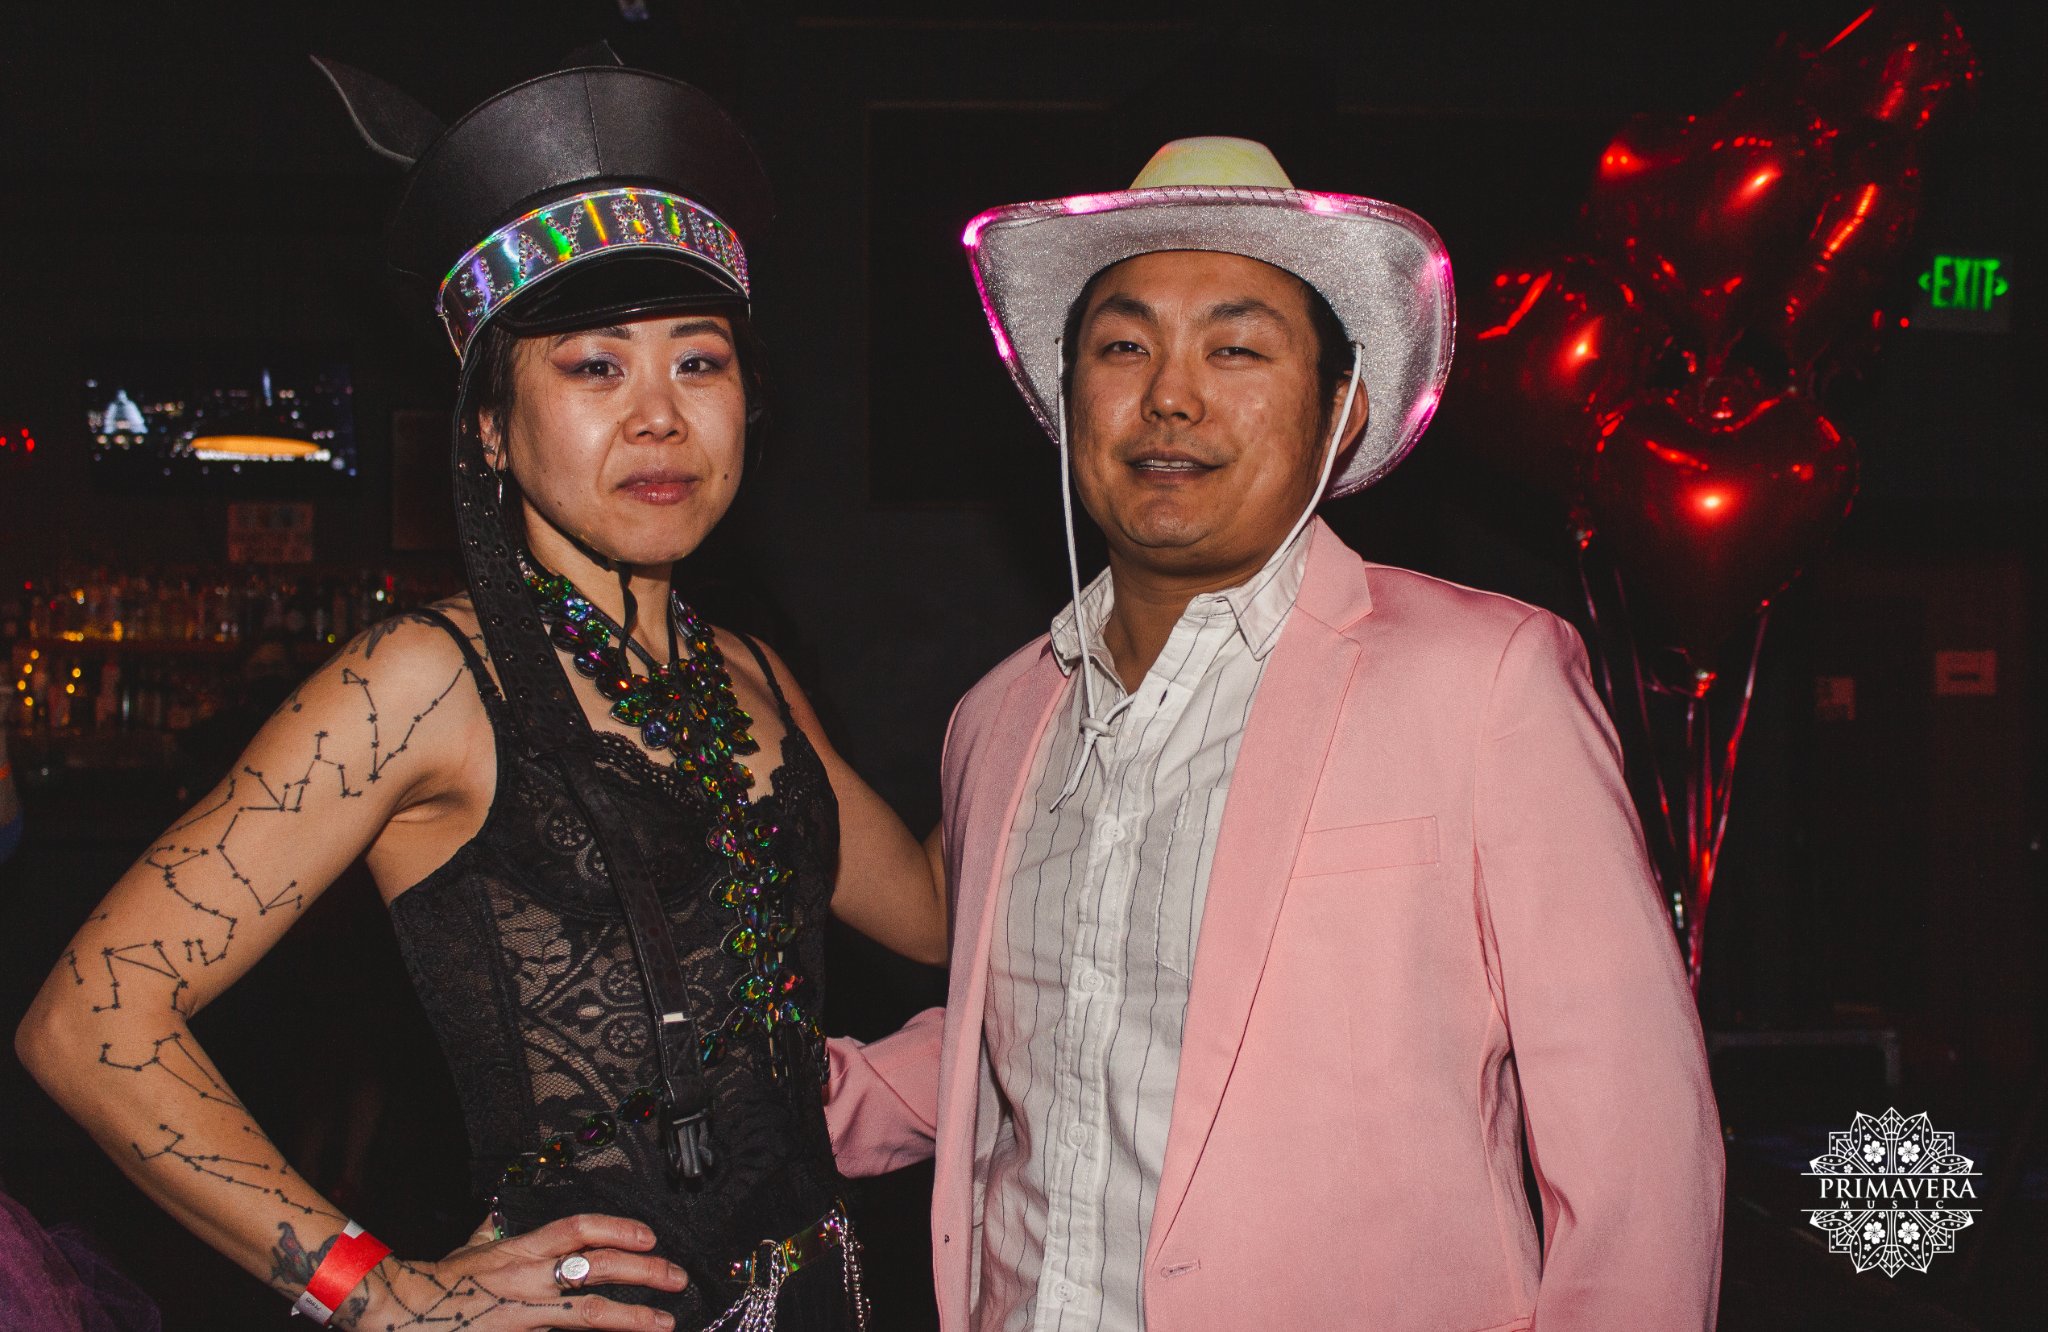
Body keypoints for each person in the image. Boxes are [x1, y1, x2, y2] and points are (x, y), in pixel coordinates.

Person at [17, 50, 944, 1332]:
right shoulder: (422, 680)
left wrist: (1085, 672)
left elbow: (934, 915)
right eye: (594, 368)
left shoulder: (746, 672)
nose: (660, 417)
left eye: (699, 362)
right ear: (492, 429)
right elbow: (89, 1021)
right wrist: (378, 1292)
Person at [825, 138, 1725, 1329]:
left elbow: (1635, 1150)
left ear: (1339, 412)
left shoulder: (1483, 681)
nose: (1169, 395)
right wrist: (766, 1105)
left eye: (1236, 348)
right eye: (1123, 347)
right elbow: (1055, 1029)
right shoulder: (1000, 716)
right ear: (1065, 397)